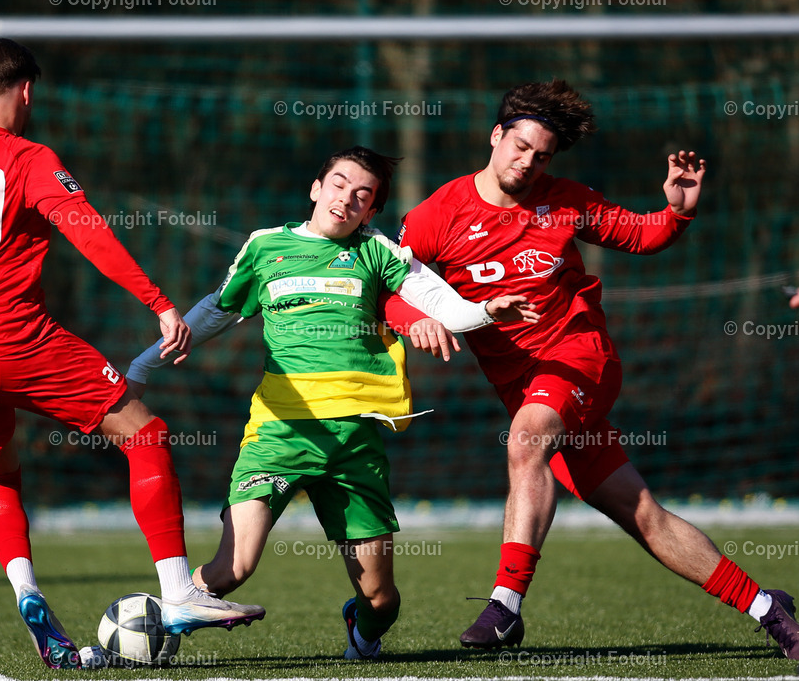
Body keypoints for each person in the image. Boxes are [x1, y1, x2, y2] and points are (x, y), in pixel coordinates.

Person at [0, 38, 264, 671]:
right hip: (17, 341)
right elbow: (90, 233)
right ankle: (180, 592)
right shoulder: (30, 158)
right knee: (145, 433)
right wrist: (157, 302)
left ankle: (27, 592)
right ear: (27, 92)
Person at [380, 80, 799, 661]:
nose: (529, 162)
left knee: (526, 439)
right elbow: (387, 284)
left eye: (542, 155)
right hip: (525, 386)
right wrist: (414, 321)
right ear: (496, 136)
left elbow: (641, 234)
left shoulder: (563, 199)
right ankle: (768, 609)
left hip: (579, 357)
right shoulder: (438, 213)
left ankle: (504, 605)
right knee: (643, 516)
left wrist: (677, 211)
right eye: (521, 147)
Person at [127, 145, 539, 660]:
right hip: (278, 434)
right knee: (235, 567)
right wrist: (142, 367)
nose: (347, 199)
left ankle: (362, 629)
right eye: (339, 185)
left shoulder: (377, 252)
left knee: (381, 599)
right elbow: (216, 310)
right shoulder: (265, 246)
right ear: (316, 188)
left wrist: (484, 312)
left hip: (354, 443)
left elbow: (440, 304)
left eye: (362, 195)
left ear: (371, 211)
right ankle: (151, 629)